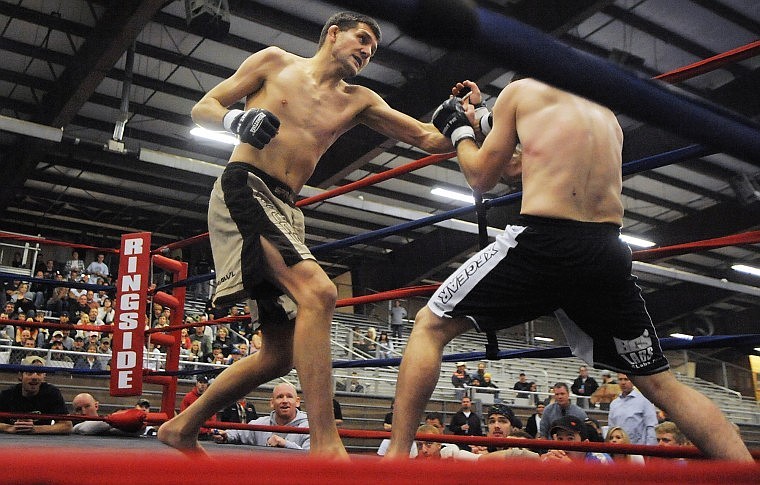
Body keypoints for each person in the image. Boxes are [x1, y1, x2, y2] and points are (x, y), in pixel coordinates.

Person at [385, 76, 752, 461]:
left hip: (545, 244)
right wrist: (480, 119)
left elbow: (482, 176)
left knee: (430, 324)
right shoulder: (605, 114)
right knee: (661, 383)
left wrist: (460, 129)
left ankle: (395, 457)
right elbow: (523, 166)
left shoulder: (521, 91)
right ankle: (744, 470)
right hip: (608, 251)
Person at [157, 11, 452, 457]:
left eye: (373, 49)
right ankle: (325, 444)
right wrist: (236, 122)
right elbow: (205, 106)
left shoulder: (360, 100)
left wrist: (469, 120)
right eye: (362, 39)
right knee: (320, 293)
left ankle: (181, 427)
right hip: (246, 185)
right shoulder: (275, 62)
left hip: (286, 209)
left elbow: (430, 139)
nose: (368, 52)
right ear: (332, 34)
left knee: (278, 355)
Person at [212, 382, 309, 450]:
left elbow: (312, 458)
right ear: (272, 403)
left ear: (297, 402)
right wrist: (225, 436)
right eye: (279, 397)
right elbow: (239, 433)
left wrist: (285, 444)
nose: (284, 401)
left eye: (289, 396)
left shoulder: (309, 428)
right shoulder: (261, 424)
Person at [0, 355, 72, 434]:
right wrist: (9, 428)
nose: (34, 377)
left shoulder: (51, 393)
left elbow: (67, 425)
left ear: (44, 376)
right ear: (20, 375)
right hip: (10, 441)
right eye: (30, 372)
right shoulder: (7, 394)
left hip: (42, 442)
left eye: (39, 373)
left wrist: (36, 429)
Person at [608, 373, 658, 445]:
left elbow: (651, 426)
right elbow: (611, 429)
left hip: (638, 448)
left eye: (626, 379)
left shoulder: (645, 400)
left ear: (633, 381)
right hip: (618, 449)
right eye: (620, 379)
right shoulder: (614, 404)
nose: (623, 383)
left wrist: (650, 449)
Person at [543, 415, 613, 463]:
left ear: (585, 444)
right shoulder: (551, 458)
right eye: (560, 438)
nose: (563, 445)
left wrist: (570, 467)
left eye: (570, 438)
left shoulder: (601, 460)